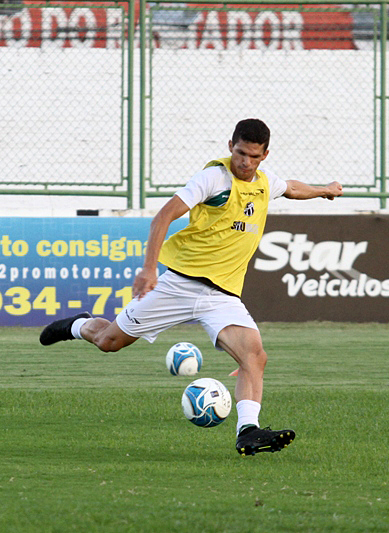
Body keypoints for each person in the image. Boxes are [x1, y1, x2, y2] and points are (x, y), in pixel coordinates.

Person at [40, 118, 343, 456]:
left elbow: (291, 187)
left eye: (254, 157)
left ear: (265, 155)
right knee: (109, 341)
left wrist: (324, 190)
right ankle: (78, 324)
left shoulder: (263, 182)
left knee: (254, 356)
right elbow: (163, 217)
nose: (245, 162)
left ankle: (248, 432)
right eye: (241, 153)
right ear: (231, 146)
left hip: (221, 296)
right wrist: (149, 268)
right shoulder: (214, 178)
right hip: (179, 285)